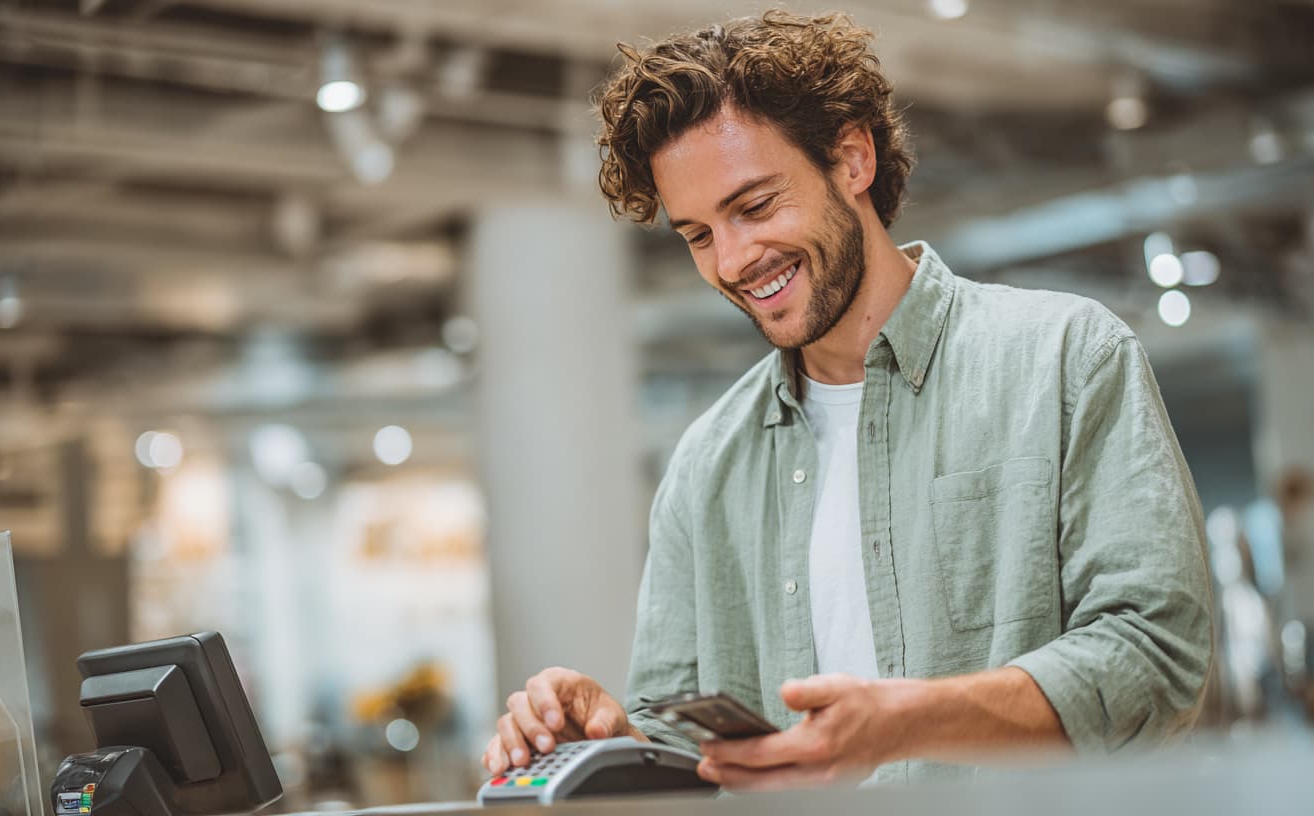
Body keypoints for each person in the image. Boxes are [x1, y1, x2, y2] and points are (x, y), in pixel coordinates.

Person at [481, 10, 1213, 789]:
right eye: (698, 235)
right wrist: (611, 739)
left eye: (755, 206)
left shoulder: (1064, 359)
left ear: (852, 158)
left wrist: (909, 722)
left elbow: (1155, 658)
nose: (732, 260)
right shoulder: (706, 465)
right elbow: (691, 751)